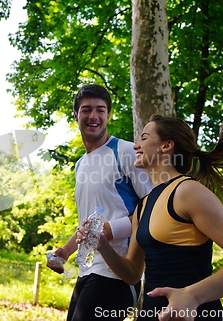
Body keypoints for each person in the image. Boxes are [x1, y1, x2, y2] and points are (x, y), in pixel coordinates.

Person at [94, 103, 223, 321]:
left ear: (166, 146)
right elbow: (132, 273)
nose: (136, 146)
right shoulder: (143, 206)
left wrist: (192, 296)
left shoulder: (188, 192)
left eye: (144, 138)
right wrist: (103, 246)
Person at [47, 84, 152, 321]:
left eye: (100, 110)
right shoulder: (80, 165)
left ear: (108, 115)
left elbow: (153, 207)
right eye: (86, 110)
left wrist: (111, 229)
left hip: (119, 273)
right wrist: (65, 251)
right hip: (88, 271)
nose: (93, 116)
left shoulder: (125, 151)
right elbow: (90, 225)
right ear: (75, 115)